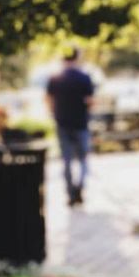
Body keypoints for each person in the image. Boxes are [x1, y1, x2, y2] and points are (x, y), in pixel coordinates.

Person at [46, 47, 94, 207]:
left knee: (66, 160)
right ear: (77, 57)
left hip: (62, 123)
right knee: (83, 160)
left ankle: (70, 192)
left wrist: (55, 114)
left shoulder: (55, 78)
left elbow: (49, 100)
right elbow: (90, 101)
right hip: (81, 123)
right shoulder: (84, 77)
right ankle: (79, 187)